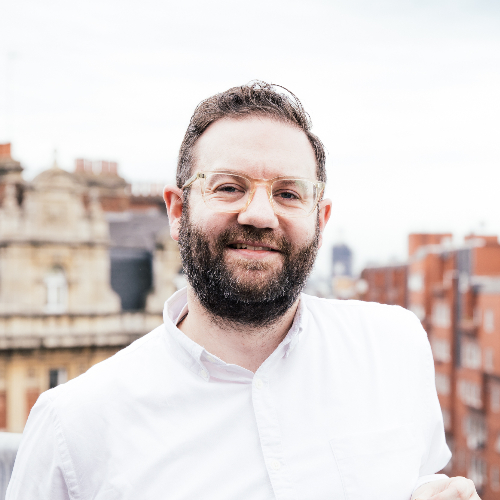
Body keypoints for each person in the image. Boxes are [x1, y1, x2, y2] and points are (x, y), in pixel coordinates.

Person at [7, 81, 479, 500]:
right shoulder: (71, 426)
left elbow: (415, 477)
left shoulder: (394, 345)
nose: (259, 214)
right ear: (176, 210)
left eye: (288, 193)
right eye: (229, 187)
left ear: (321, 217)